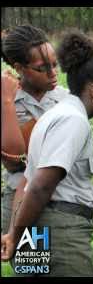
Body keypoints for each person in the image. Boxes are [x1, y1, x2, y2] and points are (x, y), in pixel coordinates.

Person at [1, 31, 93, 277]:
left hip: (33, 218)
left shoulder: (56, 110)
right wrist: (15, 234)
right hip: (62, 234)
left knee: (32, 273)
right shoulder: (72, 119)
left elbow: (27, 181)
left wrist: (16, 231)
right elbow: (39, 187)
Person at [1, 25, 69, 238]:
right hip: (20, 202)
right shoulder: (7, 101)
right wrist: (7, 102)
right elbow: (13, 161)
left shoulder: (66, 100)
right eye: (42, 68)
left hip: (62, 201)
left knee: (67, 267)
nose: (53, 74)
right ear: (19, 67)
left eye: (55, 65)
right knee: (32, 266)